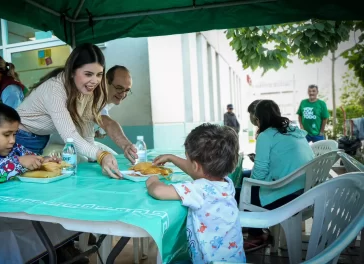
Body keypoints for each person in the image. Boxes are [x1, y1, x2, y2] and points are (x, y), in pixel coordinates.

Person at [15, 43, 121, 179]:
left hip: (40, 138)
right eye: (88, 74)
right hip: (20, 137)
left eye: (99, 74)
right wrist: (101, 155)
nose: (95, 81)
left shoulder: (87, 91)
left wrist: (93, 159)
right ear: (72, 72)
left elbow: (86, 129)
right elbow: (70, 137)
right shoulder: (55, 89)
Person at [146, 123, 245, 263]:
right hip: (235, 258)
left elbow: (158, 191)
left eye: (188, 160)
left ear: (195, 165)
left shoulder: (198, 190)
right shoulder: (226, 184)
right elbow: (198, 172)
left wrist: (152, 179)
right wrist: (172, 158)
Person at [241, 100, 314, 251]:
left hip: (288, 195)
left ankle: (256, 233)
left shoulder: (266, 135)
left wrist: (249, 184)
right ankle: (251, 224)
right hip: (307, 189)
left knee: (244, 189)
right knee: (245, 179)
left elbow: (260, 173)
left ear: (258, 117)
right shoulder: (294, 130)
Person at [0, 102, 55, 189]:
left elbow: (32, 159)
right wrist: (18, 162)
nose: (12, 140)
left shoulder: (16, 149)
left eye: (14, 134)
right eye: (7, 135)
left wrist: (43, 160)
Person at [94, 65, 137, 162]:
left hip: (85, 142)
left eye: (126, 90)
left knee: (117, 159)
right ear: (105, 82)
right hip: (64, 146)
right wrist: (126, 145)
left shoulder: (110, 99)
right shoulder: (95, 96)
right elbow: (107, 122)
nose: (122, 94)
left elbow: (100, 122)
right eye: (119, 88)